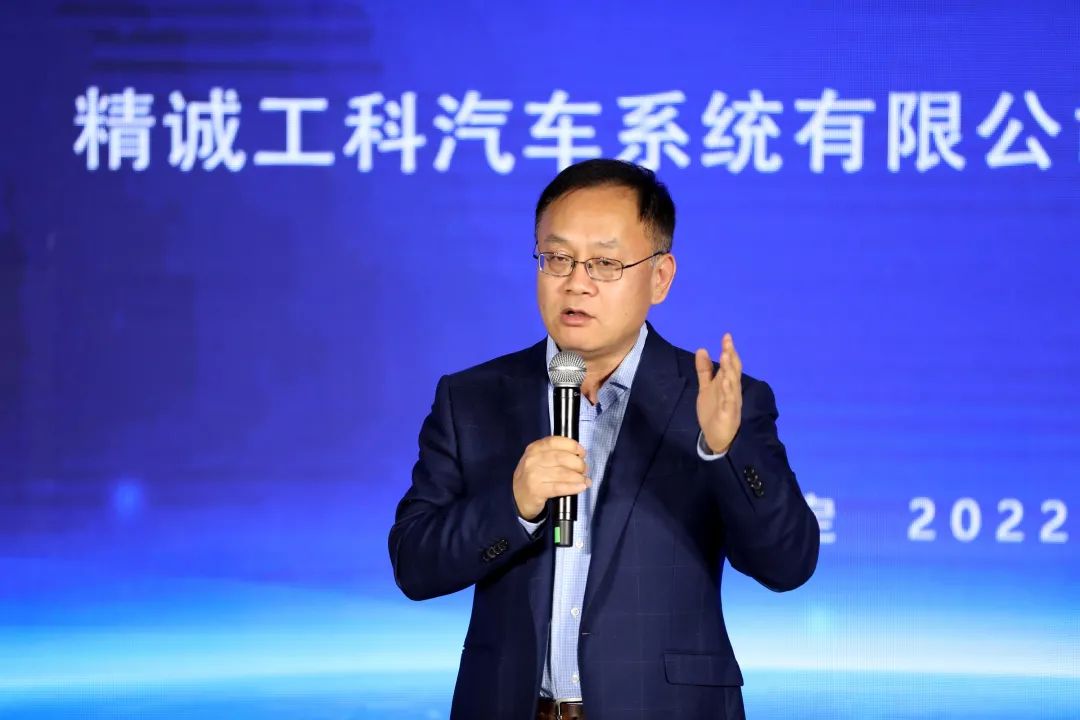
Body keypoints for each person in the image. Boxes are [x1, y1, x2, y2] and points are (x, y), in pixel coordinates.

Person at [388, 159, 819, 720]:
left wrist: (725, 450)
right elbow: (414, 565)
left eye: (605, 263)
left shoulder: (714, 399)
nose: (576, 282)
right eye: (557, 258)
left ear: (660, 277)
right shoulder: (472, 397)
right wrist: (513, 507)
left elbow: (788, 565)